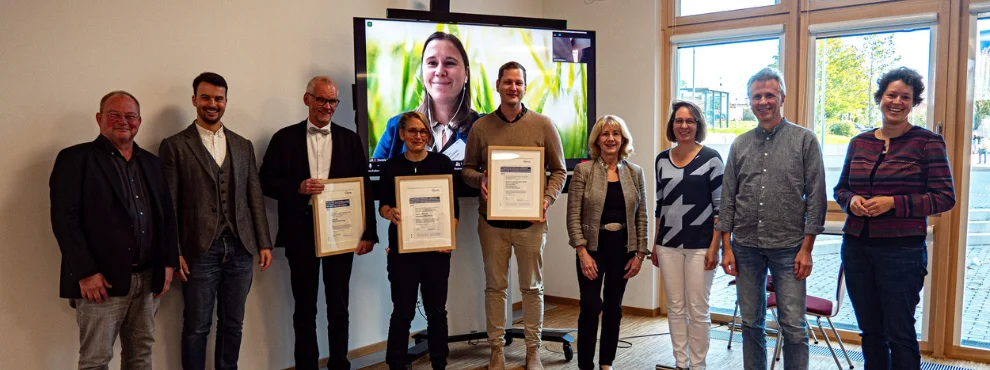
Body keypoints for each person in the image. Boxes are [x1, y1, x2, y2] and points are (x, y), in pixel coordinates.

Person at [834, 67, 955, 370]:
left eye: (906, 97)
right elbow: (841, 189)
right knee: (870, 331)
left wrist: (893, 203)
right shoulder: (859, 142)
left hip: (902, 252)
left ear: (914, 103)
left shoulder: (928, 142)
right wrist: (853, 201)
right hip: (857, 247)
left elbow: (944, 197)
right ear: (880, 98)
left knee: (899, 332)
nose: (897, 101)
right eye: (891, 95)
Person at [50, 91, 179, 370]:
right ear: (99, 119)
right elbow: (64, 220)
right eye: (115, 115)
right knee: (96, 360)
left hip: (147, 279)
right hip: (101, 283)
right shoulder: (75, 159)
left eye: (130, 116)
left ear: (139, 121)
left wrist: (168, 263)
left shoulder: (152, 163)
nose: (123, 121)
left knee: (141, 355)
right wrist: (85, 272)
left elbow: (167, 217)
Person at [259, 76, 378, 370]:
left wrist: (370, 232)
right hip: (301, 234)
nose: (327, 106)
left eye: (332, 101)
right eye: (322, 100)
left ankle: (340, 364)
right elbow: (264, 181)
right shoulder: (283, 138)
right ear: (307, 99)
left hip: (341, 233)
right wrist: (297, 187)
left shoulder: (350, 139)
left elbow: (364, 186)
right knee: (304, 309)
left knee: (339, 307)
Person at [159, 72, 274, 370]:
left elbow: (254, 197)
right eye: (206, 97)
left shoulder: (242, 144)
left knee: (233, 323)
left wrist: (263, 242)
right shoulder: (174, 145)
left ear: (226, 101)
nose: (213, 104)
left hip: (239, 247)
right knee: (197, 326)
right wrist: (175, 250)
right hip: (199, 250)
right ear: (195, 100)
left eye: (218, 98)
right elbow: (168, 205)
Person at [717, 68, 827, 370]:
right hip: (746, 248)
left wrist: (807, 249)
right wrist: (726, 247)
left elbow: (816, 200)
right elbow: (728, 200)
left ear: (782, 98)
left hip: (789, 248)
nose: (763, 101)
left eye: (769, 95)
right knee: (751, 323)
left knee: (793, 325)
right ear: (750, 101)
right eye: (756, 96)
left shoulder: (805, 141)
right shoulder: (739, 145)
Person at [462, 61, 567, 370]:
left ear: (525, 87)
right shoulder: (481, 127)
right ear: (497, 85)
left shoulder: (544, 125)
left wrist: (546, 200)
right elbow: (467, 169)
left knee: (532, 288)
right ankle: (496, 349)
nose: (513, 87)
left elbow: (559, 171)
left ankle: (532, 350)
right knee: (495, 287)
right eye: (507, 82)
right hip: (491, 224)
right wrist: (478, 180)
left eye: (518, 82)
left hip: (531, 224)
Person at [378, 111, 459, 370]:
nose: (418, 136)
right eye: (412, 131)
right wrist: (390, 213)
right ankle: (396, 363)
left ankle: (439, 363)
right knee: (402, 311)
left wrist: (448, 239)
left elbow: (453, 211)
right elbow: (384, 206)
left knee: (437, 312)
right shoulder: (391, 167)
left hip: (436, 252)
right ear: (401, 134)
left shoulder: (442, 163)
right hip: (403, 252)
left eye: (423, 131)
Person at [566, 114, 648, 370]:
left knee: (614, 307)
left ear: (623, 139)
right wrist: (582, 252)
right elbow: (573, 215)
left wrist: (640, 253)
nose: (610, 139)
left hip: (623, 249)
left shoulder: (635, 172)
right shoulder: (584, 170)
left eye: (615, 133)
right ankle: (586, 365)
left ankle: (606, 363)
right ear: (597, 140)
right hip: (592, 249)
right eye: (605, 134)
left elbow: (642, 215)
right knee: (590, 306)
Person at [651, 100, 723, 370]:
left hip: (700, 245)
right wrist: (655, 244)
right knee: (676, 307)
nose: (683, 126)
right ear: (672, 125)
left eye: (689, 121)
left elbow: (720, 209)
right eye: (679, 121)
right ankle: (681, 363)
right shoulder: (661, 159)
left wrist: (715, 247)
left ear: (698, 125)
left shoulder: (712, 158)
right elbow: (660, 205)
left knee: (698, 309)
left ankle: (698, 365)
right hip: (668, 245)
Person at [372, 32, 483, 162]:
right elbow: (375, 178)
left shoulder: (483, 128)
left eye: (449, 63)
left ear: (466, 74)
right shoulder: (395, 127)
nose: (440, 71)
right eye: (432, 63)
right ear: (422, 73)